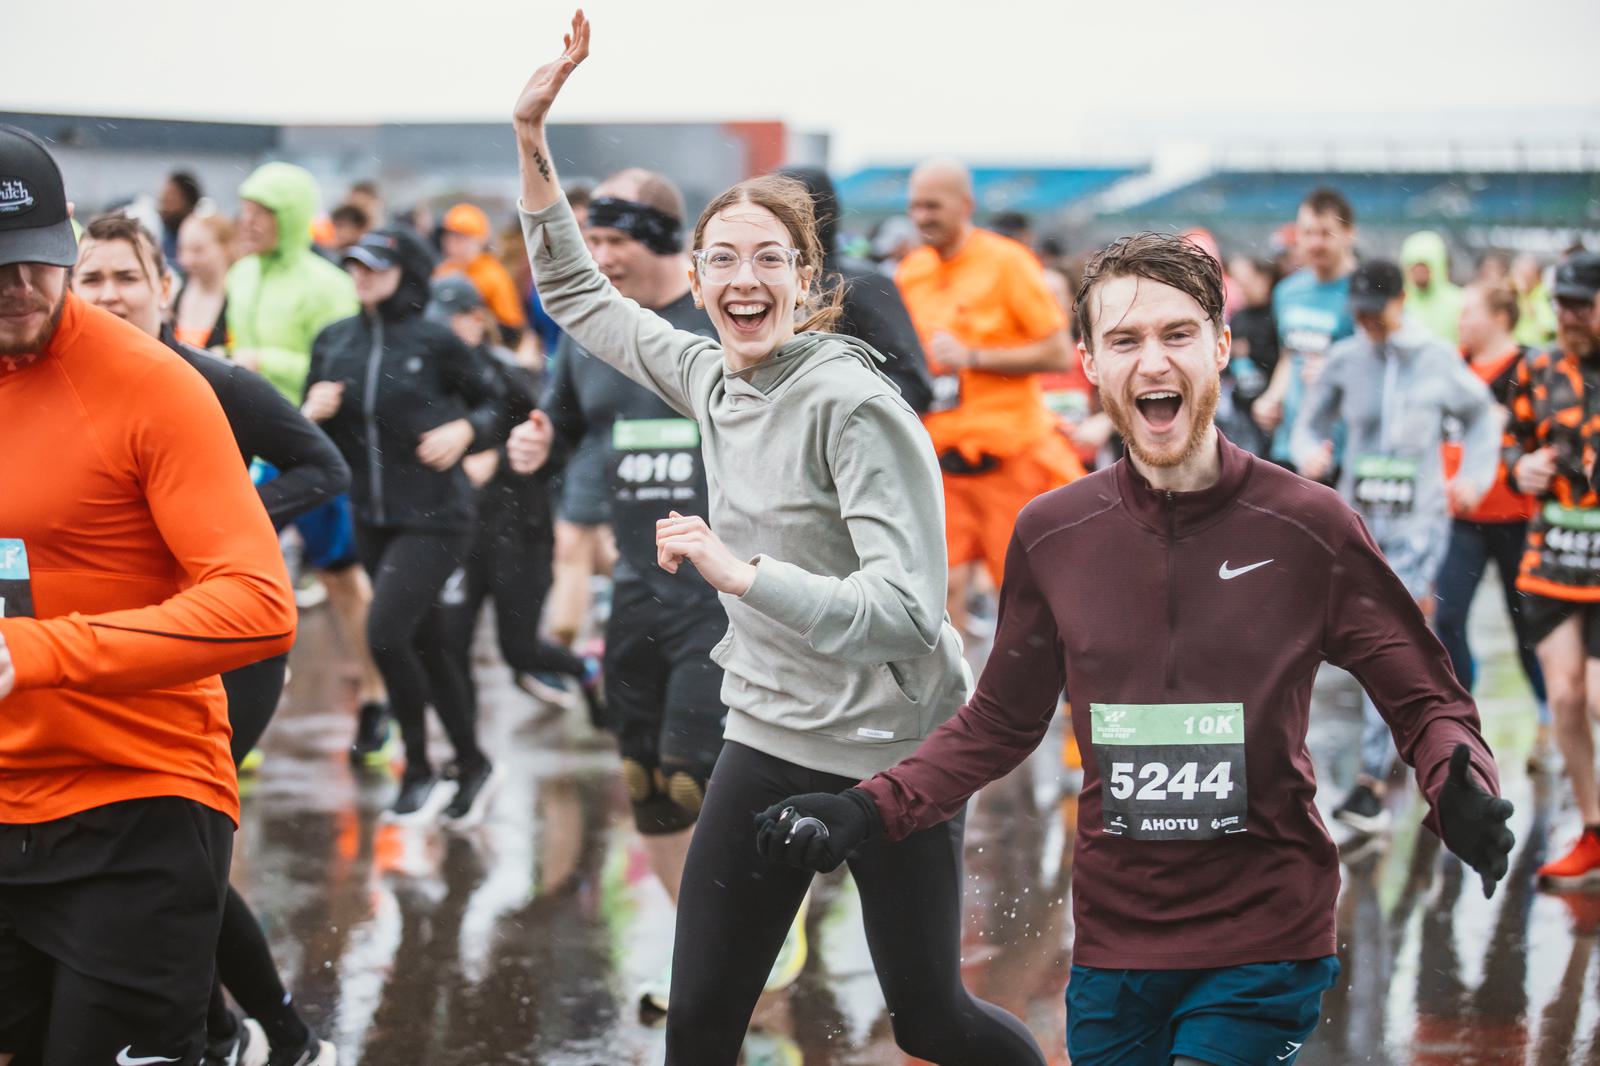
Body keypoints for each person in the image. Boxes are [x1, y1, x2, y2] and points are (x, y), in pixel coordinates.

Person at [758, 230, 1515, 1066]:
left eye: (1176, 334)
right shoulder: (1052, 533)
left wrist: (1457, 781)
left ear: (1222, 346)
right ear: (1087, 363)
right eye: (1124, 340)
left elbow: (1426, 697)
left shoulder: (1310, 528)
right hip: (1116, 948)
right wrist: (866, 808)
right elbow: (998, 726)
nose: (1152, 363)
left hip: (1266, 933)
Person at [510, 18, 1047, 1065]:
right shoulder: (711, 372)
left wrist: (740, 573)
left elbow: (904, 608)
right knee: (701, 1026)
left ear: (805, 282)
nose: (743, 278)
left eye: (768, 259)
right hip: (765, 734)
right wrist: (532, 138)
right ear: (697, 277)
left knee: (932, 1019)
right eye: (722, 260)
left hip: (897, 752)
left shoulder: (853, 405)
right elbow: (578, 292)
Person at [0, 124, 298, 1066]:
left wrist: (35, 652)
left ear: (70, 241)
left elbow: (256, 602)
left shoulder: (154, 388)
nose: (16, 287)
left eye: (36, 262)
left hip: (137, 802)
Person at [70, 213, 342, 1066]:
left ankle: (272, 1038)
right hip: (129, 651)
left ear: (165, 291)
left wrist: (220, 528)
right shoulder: (55, 387)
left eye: (127, 278)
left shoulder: (209, 383)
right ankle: (235, 1032)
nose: (110, 294)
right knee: (153, 851)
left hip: (233, 649)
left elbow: (321, 466)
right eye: (93, 279)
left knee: (176, 846)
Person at [504, 165, 735, 1002]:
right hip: (636, 585)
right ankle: (705, 950)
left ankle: (751, 935)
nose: (599, 258)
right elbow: (562, 419)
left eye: (615, 241)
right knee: (644, 782)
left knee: (695, 774)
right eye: (590, 241)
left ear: (666, 242)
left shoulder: (716, 324)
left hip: (724, 593)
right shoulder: (589, 332)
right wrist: (537, 439)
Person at [303, 228, 508, 824]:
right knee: (430, 645)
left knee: (386, 633)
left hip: (437, 517)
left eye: (374, 265)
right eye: (354, 265)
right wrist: (309, 414)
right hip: (370, 518)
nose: (361, 275)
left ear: (405, 272)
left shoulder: (436, 342)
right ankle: (470, 762)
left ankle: (417, 765)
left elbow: (500, 403)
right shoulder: (334, 342)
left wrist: (466, 432)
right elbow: (306, 435)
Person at [1291, 258, 1498, 836]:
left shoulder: (1435, 359)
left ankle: (1372, 781)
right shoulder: (1345, 358)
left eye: (1376, 313)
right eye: (1358, 313)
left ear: (1400, 302)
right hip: (1359, 523)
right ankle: (1418, 743)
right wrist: (1311, 451)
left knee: (1391, 633)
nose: (1367, 324)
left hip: (1419, 524)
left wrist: (1475, 477)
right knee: (1355, 640)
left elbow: (1483, 417)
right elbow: (1309, 423)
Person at [226, 161, 391, 762]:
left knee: (342, 581)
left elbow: (342, 369)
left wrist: (264, 361)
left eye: (260, 211)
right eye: (244, 209)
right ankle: (238, 720)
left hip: (313, 452)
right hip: (250, 455)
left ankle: (376, 699)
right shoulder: (239, 275)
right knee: (237, 579)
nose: (247, 222)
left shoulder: (327, 283)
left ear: (290, 217)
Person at [896, 157, 1081, 633]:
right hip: (941, 468)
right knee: (942, 589)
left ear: (965, 205)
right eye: (915, 207)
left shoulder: (1008, 262)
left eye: (933, 207)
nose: (922, 218)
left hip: (1008, 463)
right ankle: (958, 702)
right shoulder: (911, 272)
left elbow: (1058, 352)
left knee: (1026, 597)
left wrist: (974, 357)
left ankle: (1048, 700)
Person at [427, 274, 601, 723]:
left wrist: (500, 458)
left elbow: (558, 442)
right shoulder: (427, 378)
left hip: (520, 529)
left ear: (476, 321)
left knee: (519, 649)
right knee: (449, 643)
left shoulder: (508, 375)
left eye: (452, 322)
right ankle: (466, 756)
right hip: (459, 533)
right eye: (436, 323)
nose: (443, 333)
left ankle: (588, 669)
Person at [1503, 251, 1600, 889]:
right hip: (1555, 560)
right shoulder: (1535, 367)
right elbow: (1511, 439)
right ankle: (1593, 833)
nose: (1567, 316)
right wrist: (1521, 468)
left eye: (1581, 305)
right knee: (1564, 698)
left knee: (1595, 696)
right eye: (1560, 304)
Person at [1433, 282, 1552, 773]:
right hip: (1462, 517)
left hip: (1517, 518)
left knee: (1527, 625)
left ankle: (1547, 718)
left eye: (1472, 312)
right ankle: (1463, 719)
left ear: (1503, 316)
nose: (1462, 321)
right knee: (1448, 617)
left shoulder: (1530, 368)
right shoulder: (1452, 365)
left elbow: (1551, 436)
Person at [779, 166, 934, 414]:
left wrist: (839, 412)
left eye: (786, 209)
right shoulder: (766, 284)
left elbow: (914, 384)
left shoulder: (864, 284)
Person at [1252, 187, 1358, 472]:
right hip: (1290, 444)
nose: (1315, 243)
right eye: (1308, 233)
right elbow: (1291, 355)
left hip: (1344, 451)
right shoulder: (1288, 292)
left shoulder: (1365, 295)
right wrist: (1272, 398)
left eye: (1325, 233)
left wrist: (1336, 373)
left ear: (1349, 234)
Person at [437, 201, 528, 346]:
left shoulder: (492, 274)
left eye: (462, 237)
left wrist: (482, 323)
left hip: (482, 347)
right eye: (450, 236)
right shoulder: (443, 270)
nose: (453, 243)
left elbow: (512, 327)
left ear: (479, 240)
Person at [172, 212, 234, 350]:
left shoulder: (239, 297)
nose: (186, 261)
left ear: (225, 248)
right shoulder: (176, 293)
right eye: (182, 250)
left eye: (198, 250)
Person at [1401, 230, 1466, 345]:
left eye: (1424, 268)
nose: (1419, 273)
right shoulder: (1399, 302)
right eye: (1414, 268)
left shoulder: (1459, 301)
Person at [1511, 252, 1558, 349]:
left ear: (1537, 274)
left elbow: (1548, 329)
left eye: (1525, 273)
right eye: (1518, 272)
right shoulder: (1511, 293)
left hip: (1536, 350)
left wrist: (1529, 304)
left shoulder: (1544, 294)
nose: (1520, 277)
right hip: (1515, 347)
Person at [158, 169, 202, 264]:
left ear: (188, 201)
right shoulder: (160, 233)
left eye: (169, 200)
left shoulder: (203, 236)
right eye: (162, 201)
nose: (163, 207)